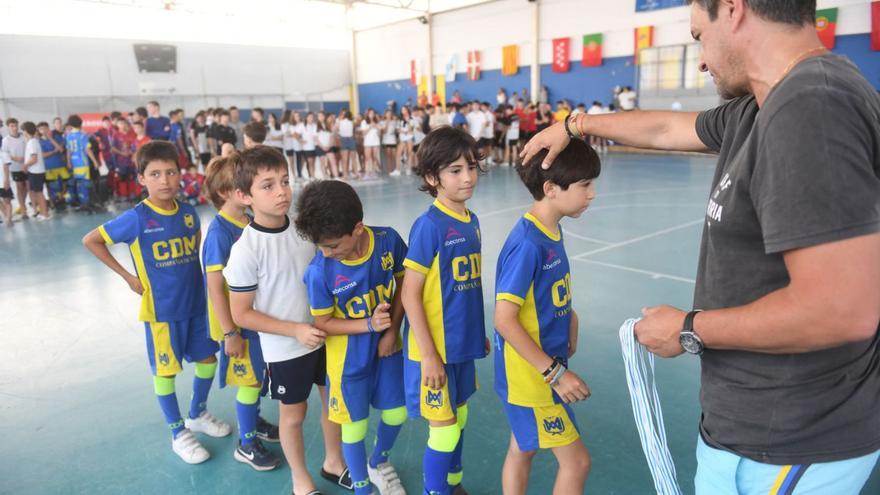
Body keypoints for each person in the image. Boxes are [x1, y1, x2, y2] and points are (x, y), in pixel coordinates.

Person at [522, 1, 880, 493]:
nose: (703, 60)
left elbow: (841, 310)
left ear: (733, 10)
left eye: (698, 37)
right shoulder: (759, 105)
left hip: (794, 438)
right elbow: (665, 128)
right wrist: (574, 126)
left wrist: (689, 330)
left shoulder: (811, 105)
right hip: (748, 427)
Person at [82, 141, 232, 464]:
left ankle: (197, 413)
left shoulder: (190, 214)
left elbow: (196, 256)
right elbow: (91, 240)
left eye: (170, 172)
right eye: (155, 174)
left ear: (180, 174)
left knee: (208, 361)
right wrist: (127, 276)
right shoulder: (137, 218)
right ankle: (177, 431)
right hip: (163, 312)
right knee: (165, 373)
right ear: (142, 179)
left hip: (196, 307)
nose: (164, 180)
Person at [225, 146, 350, 495]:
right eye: (267, 185)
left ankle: (334, 462)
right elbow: (241, 313)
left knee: (333, 405)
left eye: (284, 181)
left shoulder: (303, 231)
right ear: (243, 195)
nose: (281, 191)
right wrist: (294, 329)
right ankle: (300, 480)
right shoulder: (245, 250)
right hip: (285, 349)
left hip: (324, 337)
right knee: (293, 417)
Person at [495, 140, 599, 495]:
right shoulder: (527, 244)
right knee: (578, 462)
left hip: (538, 369)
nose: (592, 194)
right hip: (534, 378)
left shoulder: (550, 228)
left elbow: (542, 293)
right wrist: (555, 374)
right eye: (584, 185)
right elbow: (504, 319)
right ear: (551, 189)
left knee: (523, 447)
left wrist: (569, 315)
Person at [296, 180, 409, 495]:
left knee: (397, 412)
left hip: (388, 348)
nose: (326, 252)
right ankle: (362, 488)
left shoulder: (388, 241)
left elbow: (404, 285)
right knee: (354, 426)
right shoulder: (320, 271)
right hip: (348, 360)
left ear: (358, 228)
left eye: (332, 245)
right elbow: (324, 322)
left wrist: (391, 331)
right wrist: (369, 326)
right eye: (320, 246)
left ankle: (379, 461)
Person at [401, 127, 488, 495]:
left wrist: (474, 331)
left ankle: (453, 483)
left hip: (461, 343)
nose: (467, 177)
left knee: (461, 414)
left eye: (471, 167)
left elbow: (462, 287)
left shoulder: (472, 219)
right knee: (445, 427)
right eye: (455, 170)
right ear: (432, 177)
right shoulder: (429, 226)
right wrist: (430, 356)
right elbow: (409, 295)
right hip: (432, 350)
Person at [201, 156, 282, 471]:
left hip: (254, 317)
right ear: (226, 192)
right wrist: (229, 333)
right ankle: (246, 444)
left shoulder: (248, 220)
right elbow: (214, 286)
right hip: (236, 325)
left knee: (258, 377)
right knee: (249, 382)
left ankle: (255, 420)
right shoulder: (220, 233)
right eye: (242, 186)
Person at [66, 115, 100, 212]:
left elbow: (68, 150)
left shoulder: (68, 136)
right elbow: (87, 149)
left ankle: (82, 203)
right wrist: (95, 161)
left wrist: (69, 162)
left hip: (74, 163)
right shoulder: (82, 135)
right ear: (80, 124)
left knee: (79, 184)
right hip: (83, 163)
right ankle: (87, 204)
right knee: (86, 184)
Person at [20, 122, 50, 221]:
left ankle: (44, 213)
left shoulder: (32, 142)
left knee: (39, 193)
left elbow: (34, 158)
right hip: (34, 171)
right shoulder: (32, 141)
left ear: (26, 131)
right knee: (36, 192)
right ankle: (42, 212)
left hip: (36, 172)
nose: (23, 133)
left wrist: (25, 165)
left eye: (23, 130)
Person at [1, 118, 28, 219]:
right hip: (15, 167)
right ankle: (23, 210)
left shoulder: (23, 137)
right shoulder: (6, 140)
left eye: (16, 125)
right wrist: (14, 158)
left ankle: (23, 204)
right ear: (8, 127)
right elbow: (4, 154)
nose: (15, 128)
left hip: (27, 165)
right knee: (20, 187)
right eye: (12, 126)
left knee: (28, 187)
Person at [38, 122, 68, 209]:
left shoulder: (56, 137)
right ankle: (52, 203)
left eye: (45, 128)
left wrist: (50, 138)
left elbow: (61, 149)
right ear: (39, 131)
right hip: (49, 167)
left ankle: (61, 198)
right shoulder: (40, 142)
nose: (44, 131)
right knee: (50, 187)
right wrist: (54, 151)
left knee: (65, 184)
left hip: (60, 165)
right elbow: (43, 155)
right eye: (41, 129)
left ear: (48, 128)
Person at [111, 119, 139, 202]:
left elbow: (136, 145)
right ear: (117, 125)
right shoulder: (115, 135)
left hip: (131, 161)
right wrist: (121, 153)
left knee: (132, 177)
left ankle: (132, 195)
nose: (122, 125)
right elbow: (113, 148)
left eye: (123, 123)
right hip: (121, 161)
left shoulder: (132, 134)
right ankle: (123, 195)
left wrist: (132, 152)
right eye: (120, 123)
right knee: (122, 178)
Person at [338, 110, 356, 180]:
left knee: (349, 158)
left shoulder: (351, 122)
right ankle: (348, 173)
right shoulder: (340, 122)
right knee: (348, 158)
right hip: (346, 139)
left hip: (348, 138)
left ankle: (350, 173)